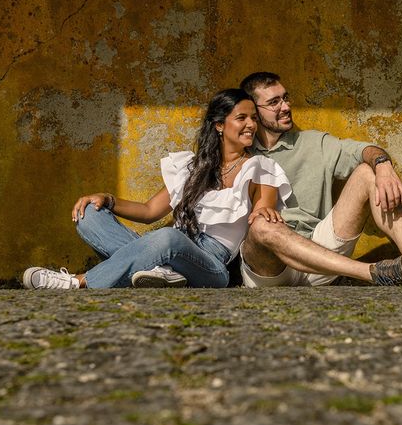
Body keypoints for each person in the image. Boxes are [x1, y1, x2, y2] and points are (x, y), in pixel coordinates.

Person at [22, 88, 291, 289]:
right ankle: (161, 272)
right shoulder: (193, 167)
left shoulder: (260, 167)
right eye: (241, 118)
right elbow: (150, 210)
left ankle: (77, 282)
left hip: (210, 265)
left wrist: (264, 211)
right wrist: (107, 199)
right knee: (89, 214)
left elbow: (264, 208)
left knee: (167, 238)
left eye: (253, 118)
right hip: (170, 250)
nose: (251, 125)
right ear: (219, 125)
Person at [238, 72, 402, 287]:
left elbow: (364, 150)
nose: (286, 107)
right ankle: (373, 272)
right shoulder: (239, 153)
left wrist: (383, 165)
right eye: (274, 102)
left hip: (320, 251)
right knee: (261, 226)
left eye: (286, 98)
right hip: (269, 269)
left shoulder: (314, 143)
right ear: (253, 111)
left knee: (368, 171)